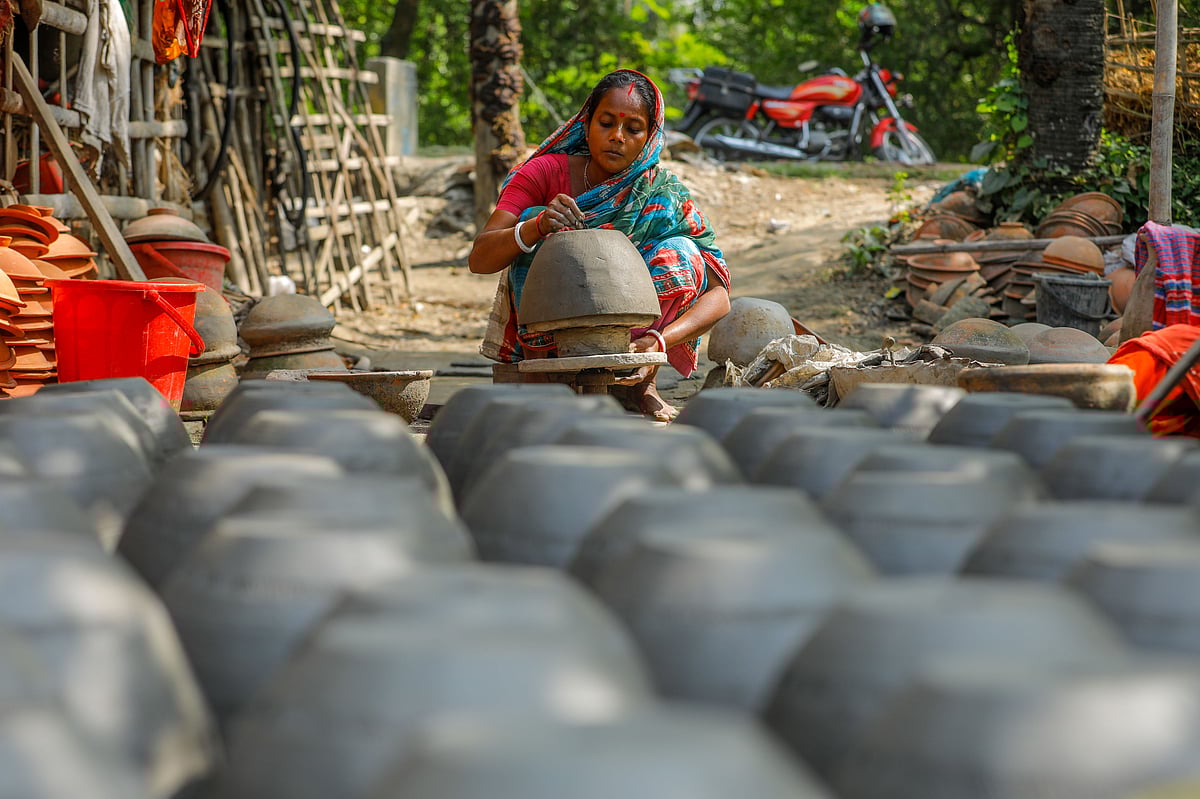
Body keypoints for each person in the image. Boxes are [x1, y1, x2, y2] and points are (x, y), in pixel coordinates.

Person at [470, 69, 731, 421]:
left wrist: (659, 341)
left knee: (683, 252)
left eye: (633, 129)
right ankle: (549, 374)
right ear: (586, 123)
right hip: (550, 339)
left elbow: (719, 298)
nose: (617, 137)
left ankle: (638, 386)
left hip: (634, 343)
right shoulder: (543, 173)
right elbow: (481, 258)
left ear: (650, 137)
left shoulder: (662, 193)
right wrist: (535, 227)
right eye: (606, 123)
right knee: (533, 222)